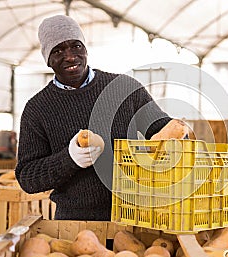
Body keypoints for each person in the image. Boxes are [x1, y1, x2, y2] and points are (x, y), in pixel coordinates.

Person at [15, 14, 173, 221]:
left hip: (134, 217)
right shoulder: (37, 109)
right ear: (47, 60)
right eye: (58, 50)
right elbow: (27, 177)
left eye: (76, 46)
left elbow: (163, 128)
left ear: (86, 50)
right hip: (75, 224)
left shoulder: (124, 88)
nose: (70, 56)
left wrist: (179, 131)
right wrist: (69, 159)